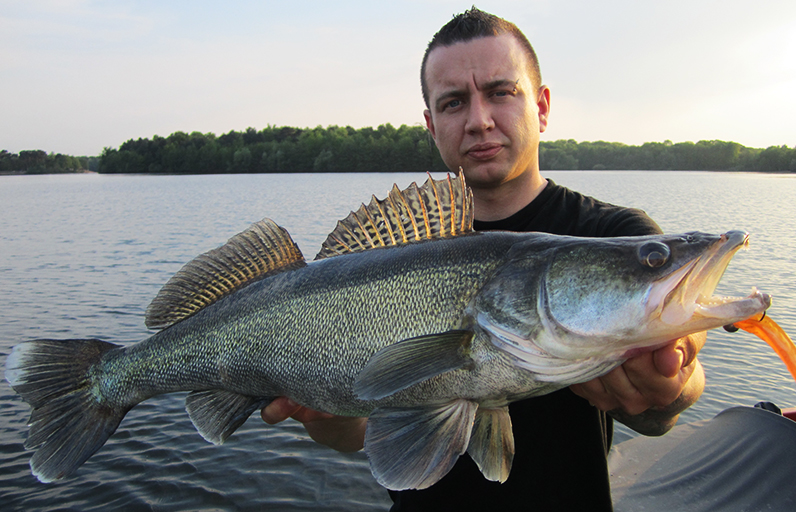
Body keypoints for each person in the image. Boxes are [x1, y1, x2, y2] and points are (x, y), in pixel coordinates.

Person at [262, 7, 706, 511]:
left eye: (500, 91)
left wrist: (674, 380)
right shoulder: (389, 253)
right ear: (432, 125)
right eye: (454, 103)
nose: (479, 120)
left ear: (540, 107)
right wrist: (331, 415)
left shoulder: (615, 236)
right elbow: (357, 434)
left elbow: (668, 403)